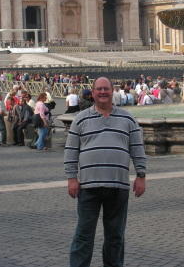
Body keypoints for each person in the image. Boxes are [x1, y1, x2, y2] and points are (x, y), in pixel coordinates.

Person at [65, 77, 146, 267]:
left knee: (115, 236)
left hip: (118, 185)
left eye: (106, 89)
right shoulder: (81, 118)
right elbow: (71, 150)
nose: (103, 92)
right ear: (93, 93)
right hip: (88, 186)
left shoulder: (128, 118)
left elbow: (137, 148)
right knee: (84, 235)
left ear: (112, 91)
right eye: (99, 89)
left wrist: (141, 175)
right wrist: (71, 177)